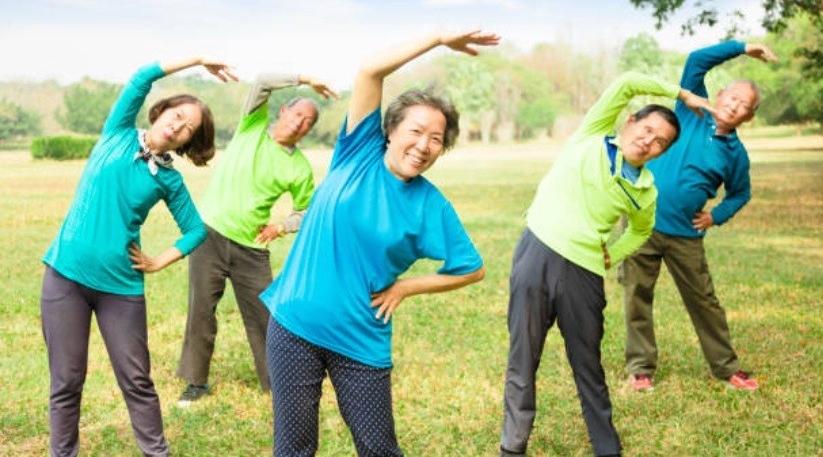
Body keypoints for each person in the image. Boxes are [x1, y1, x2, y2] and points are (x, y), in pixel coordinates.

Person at [259, 29, 496, 456]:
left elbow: (471, 268)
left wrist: (406, 286)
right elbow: (370, 69)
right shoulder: (358, 151)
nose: (423, 145)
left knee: (379, 449)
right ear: (390, 130)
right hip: (295, 325)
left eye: (436, 139)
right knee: (293, 450)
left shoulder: (430, 205)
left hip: (361, 339)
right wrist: (439, 38)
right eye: (416, 131)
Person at [500, 71, 715, 457]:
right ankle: (512, 447)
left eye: (659, 142)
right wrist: (684, 94)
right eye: (646, 129)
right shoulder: (592, 133)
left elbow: (640, 231)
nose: (648, 141)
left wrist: (610, 255)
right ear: (630, 122)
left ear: (661, 153)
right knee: (523, 358)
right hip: (537, 252)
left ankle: (606, 447)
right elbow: (629, 83)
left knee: (588, 363)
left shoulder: (645, 191)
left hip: (583, 273)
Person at [40, 56, 237, 456]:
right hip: (65, 277)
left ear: (187, 142)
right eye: (177, 115)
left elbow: (196, 229)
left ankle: (156, 452)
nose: (178, 126)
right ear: (162, 111)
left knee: (137, 380)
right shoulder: (117, 133)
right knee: (66, 381)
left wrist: (161, 259)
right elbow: (141, 77)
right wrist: (198, 59)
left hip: (121, 289)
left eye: (189, 128)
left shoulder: (169, 179)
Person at [621, 41, 778, 392]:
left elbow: (740, 193)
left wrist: (715, 216)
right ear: (719, 95)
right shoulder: (691, 109)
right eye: (732, 97)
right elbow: (696, 60)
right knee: (637, 295)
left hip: (685, 235)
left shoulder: (735, 154)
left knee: (704, 301)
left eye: (744, 106)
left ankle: (726, 368)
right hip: (640, 223)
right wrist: (742, 47)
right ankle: (640, 370)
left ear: (748, 117)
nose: (734, 106)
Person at [176, 72, 338, 405]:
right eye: (297, 115)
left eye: (308, 122)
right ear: (283, 112)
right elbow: (263, 81)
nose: (300, 124)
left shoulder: (300, 168)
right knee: (202, 310)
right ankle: (195, 382)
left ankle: (275, 383)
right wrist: (306, 80)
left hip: (252, 248)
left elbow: (307, 211)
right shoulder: (251, 127)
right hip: (209, 231)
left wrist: (280, 227)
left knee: (266, 319)